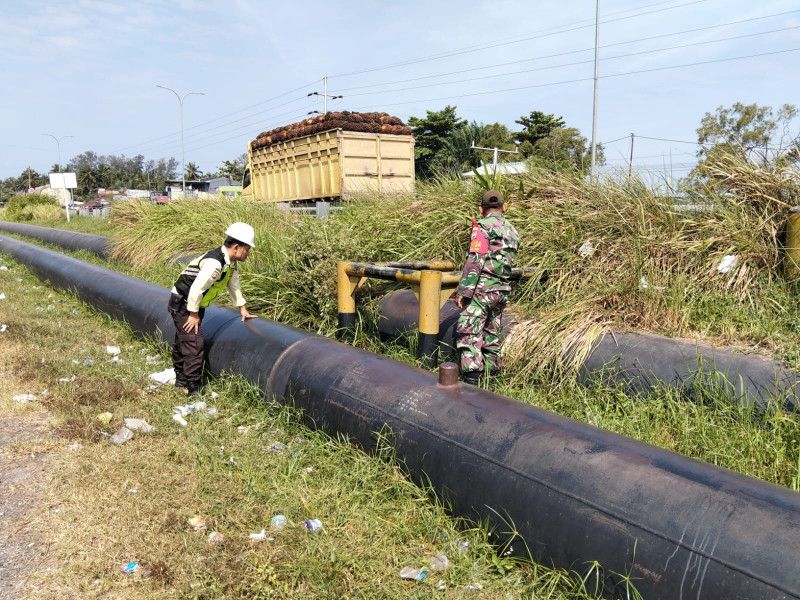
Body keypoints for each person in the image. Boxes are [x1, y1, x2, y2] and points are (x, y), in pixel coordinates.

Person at [168, 222, 258, 396]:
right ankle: (193, 388)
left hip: (193, 304)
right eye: (247, 249)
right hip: (184, 303)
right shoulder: (214, 264)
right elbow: (196, 289)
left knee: (183, 340)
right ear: (237, 247)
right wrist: (193, 315)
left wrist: (242, 308)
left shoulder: (229, 263)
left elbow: (234, 284)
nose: (248, 253)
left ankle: (180, 378)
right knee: (194, 342)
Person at [454, 190, 520, 386]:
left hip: (482, 290)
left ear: (481, 209)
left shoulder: (481, 227)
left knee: (469, 332)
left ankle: (472, 384)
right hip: (502, 290)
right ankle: (491, 383)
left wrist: (464, 291)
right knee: (492, 333)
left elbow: (475, 260)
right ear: (504, 207)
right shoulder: (512, 230)